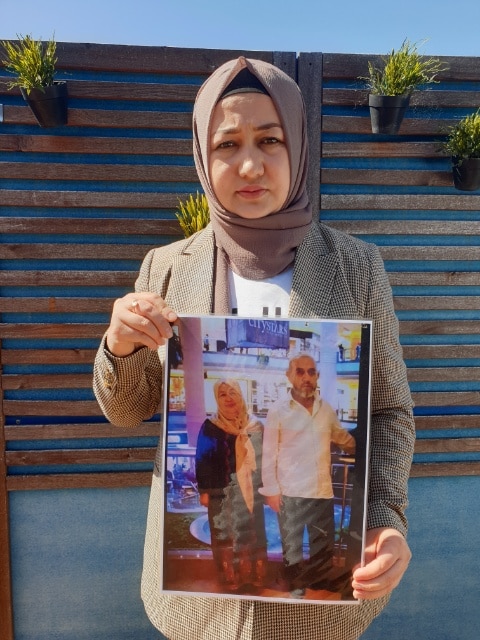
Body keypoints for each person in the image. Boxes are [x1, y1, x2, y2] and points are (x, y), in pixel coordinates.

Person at [93, 56, 415, 640]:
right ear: (200, 153)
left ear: (297, 146)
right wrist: (119, 347)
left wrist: (388, 521)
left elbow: (389, 412)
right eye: (226, 144)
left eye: (270, 139)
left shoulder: (357, 267)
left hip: (319, 599)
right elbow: (126, 409)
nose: (249, 164)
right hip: (201, 610)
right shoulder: (165, 267)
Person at [260, 354, 356, 598]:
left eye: (311, 372)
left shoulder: (326, 410)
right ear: (290, 376)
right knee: (291, 545)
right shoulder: (278, 411)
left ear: (317, 376)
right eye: (300, 372)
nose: (306, 377)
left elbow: (341, 438)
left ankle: (319, 583)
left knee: (322, 544)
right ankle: (295, 586)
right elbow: (268, 453)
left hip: (321, 490)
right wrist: (271, 491)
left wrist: (360, 447)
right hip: (290, 492)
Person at [195, 379, 267, 591]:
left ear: (241, 396)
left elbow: (265, 458)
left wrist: (267, 488)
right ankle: (229, 578)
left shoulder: (255, 426)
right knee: (224, 535)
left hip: (251, 490)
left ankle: (253, 576)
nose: (229, 398)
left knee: (252, 532)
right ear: (217, 399)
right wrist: (204, 491)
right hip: (220, 491)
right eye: (223, 394)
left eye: (233, 393)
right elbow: (202, 459)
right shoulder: (210, 427)